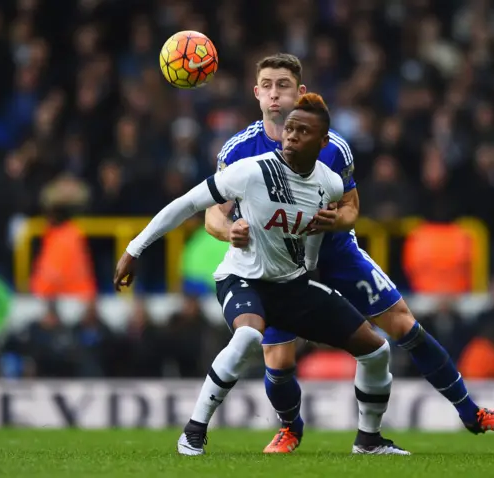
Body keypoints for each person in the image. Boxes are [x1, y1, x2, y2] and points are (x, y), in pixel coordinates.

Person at [206, 53, 494, 453]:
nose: (275, 93)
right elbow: (211, 218)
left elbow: (353, 205)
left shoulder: (333, 147)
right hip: (275, 263)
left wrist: (336, 221)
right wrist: (229, 230)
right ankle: (291, 427)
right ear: (256, 94)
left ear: (300, 92)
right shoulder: (238, 150)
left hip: (335, 251)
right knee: (279, 359)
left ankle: (470, 414)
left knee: (403, 324)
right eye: (267, 85)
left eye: (283, 85)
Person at [114, 94, 401, 456]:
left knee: (377, 351)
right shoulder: (252, 170)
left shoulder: (329, 184)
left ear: (323, 142)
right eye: (290, 128)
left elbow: (312, 243)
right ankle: (193, 432)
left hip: (292, 285)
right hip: (243, 278)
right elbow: (187, 203)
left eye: (302, 130)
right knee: (249, 334)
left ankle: (369, 441)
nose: (291, 136)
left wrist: (311, 280)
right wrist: (133, 250)